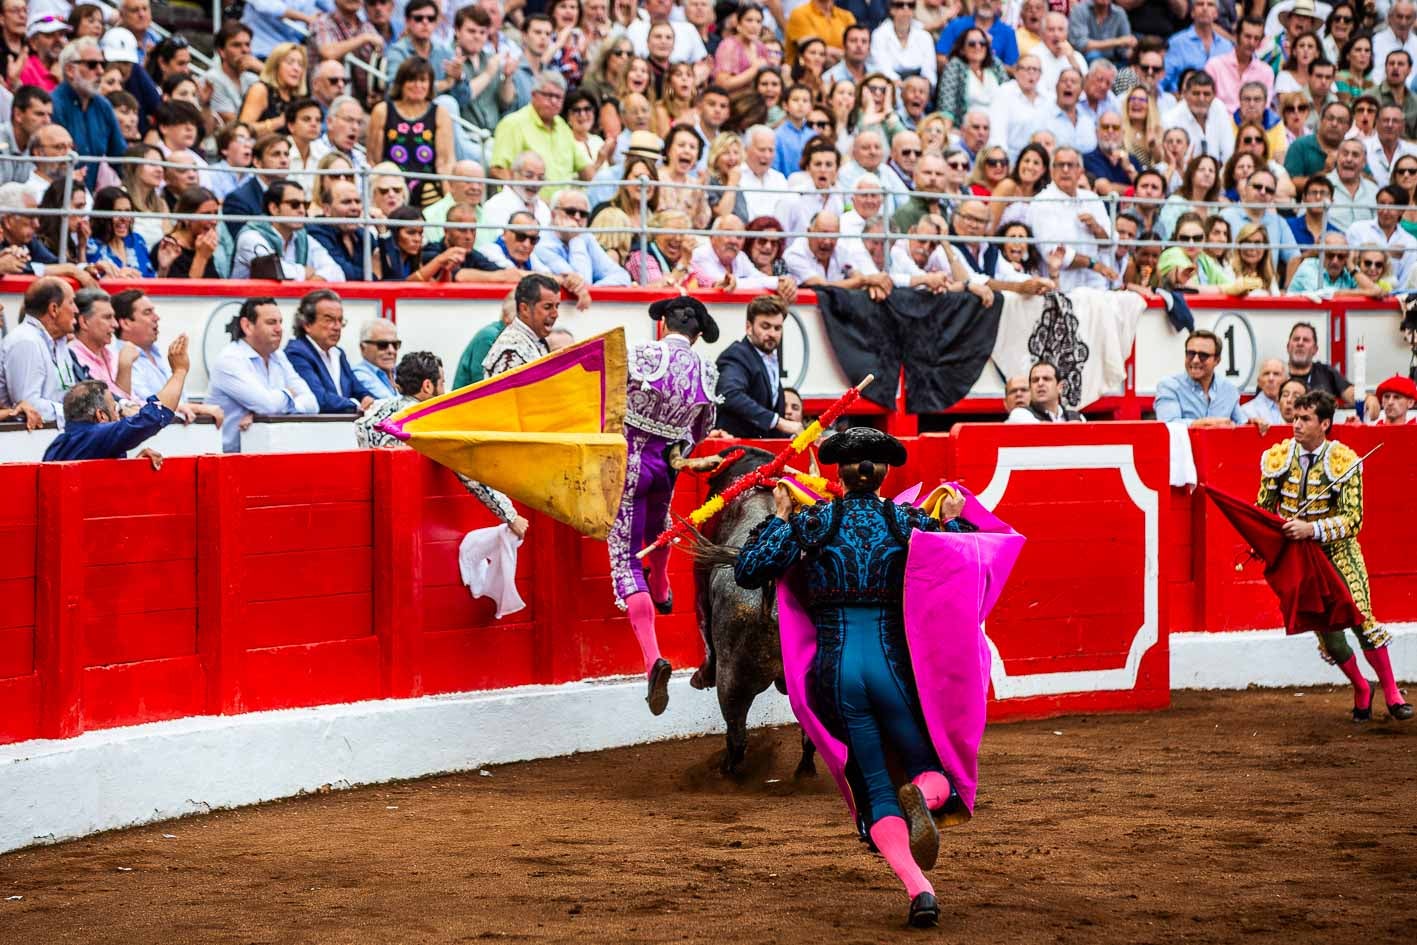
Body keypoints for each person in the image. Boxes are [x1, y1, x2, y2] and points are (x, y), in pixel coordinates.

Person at [733, 427, 982, 929]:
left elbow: (748, 569)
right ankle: (928, 799)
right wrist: (953, 523)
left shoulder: (812, 522)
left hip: (836, 668)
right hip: (894, 663)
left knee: (873, 784)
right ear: (885, 474)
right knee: (928, 766)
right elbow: (963, 569)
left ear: (838, 475)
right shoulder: (908, 521)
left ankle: (920, 889)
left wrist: (779, 516)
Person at [1258, 390, 1412, 722]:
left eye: (1305, 419)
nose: (1296, 425)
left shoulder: (1343, 460)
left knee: (1362, 620)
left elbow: (1352, 520)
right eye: (1295, 418)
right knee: (1329, 632)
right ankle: (1361, 687)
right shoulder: (1277, 458)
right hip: (1301, 560)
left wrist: (1310, 530)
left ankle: (1393, 692)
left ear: (1325, 423)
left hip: (1338, 554)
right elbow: (1264, 511)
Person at [612, 295, 720, 717]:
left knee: (625, 559)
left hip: (628, 463)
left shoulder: (641, 354)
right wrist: (677, 450)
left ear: (663, 325)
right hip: (666, 465)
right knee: (658, 528)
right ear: (696, 336)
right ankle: (662, 587)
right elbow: (702, 427)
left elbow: (607, 400)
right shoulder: (706, 370)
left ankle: (652, 658)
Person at [42, 334, 190, 464]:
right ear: (101, 416)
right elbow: (152, 417)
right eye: (115, 409)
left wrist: (130, 465)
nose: (120, 415)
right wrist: (180, 371)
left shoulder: (57, 445)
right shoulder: (95, 435)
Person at [207, 297, 319, 453]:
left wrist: (263, 413)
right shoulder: (230, 360)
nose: (279, 329)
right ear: (247, 326)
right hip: (226, 459)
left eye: (280, 322)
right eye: (271, 322)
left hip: (269, 452)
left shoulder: (278, 356)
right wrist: (288, 395)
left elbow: (312, 403)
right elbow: (266, 405)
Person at [713, 296, 798, 439]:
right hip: (736, 449)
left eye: (777, 328)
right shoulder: (737, 355)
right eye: (765, 326)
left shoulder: (769, 358)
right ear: (748, 327)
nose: (772, 333)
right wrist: (778, 422)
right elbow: (729, 394)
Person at [285, 289, 378, 415]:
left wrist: (367, 398)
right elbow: (319, 398)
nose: (337, 327)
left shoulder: (338, 353)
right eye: (329, 320)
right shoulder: (296, 353)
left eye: (340, 320)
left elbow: (358, 389)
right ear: (307, 324)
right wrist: (355, 405)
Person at [0, 276, 77, 425]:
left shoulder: (60, 342)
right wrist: (77, 414)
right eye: (72, 302)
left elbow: (69, 394)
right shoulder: (25, 341)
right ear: (54, 309)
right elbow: (29, 406)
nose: (76, 310)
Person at [1154, 329, 1266, 429]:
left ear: (1217, 360)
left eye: (1203, 355)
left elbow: (1240, 424)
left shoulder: (1229, 390)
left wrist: (1251, 424)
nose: (1195, 360)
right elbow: (1168, 425)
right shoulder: (1169, 386)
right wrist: (1206, 423)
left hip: (1221, 451)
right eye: (1190, 354)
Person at [1286, 321, 1356, 404]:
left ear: (1315, 349)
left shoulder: (1326, 372)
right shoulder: (1278, 374)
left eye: (1306, 340)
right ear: (1288, 347)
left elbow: (1351, 394)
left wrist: (1368, 399)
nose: (1300, 343)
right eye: (1296, 339)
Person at [1007, 360, 1084, 422]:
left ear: (1060, 387)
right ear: (1030, 388)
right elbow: (1043, 433)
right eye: (1035, 380)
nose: (1040, 383)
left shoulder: (1077, 417)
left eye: (1046, 379)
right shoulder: (1019, 414)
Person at [1241, 358, 1287, 424]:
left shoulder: (1296, 408)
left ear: (1286, 381)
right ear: (1259, 381)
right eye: (1266, 374)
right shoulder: (1245, 411)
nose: (1271, 378)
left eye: (1276, 374)